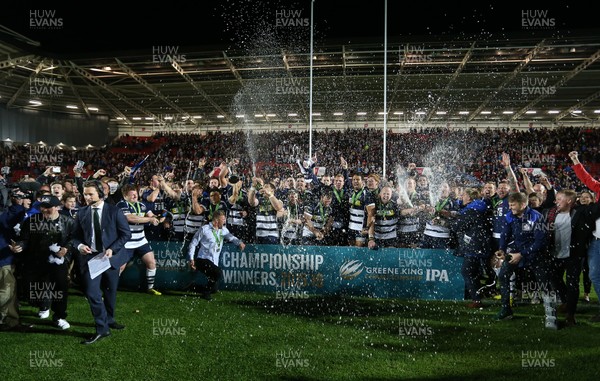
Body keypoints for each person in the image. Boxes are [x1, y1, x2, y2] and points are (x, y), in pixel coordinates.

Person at [72, 180, 131, 344]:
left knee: (110, 291)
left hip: (111, 258)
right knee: (92, 293)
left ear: (101, 193)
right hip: (91, 259)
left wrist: (114, 249)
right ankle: (102, 328)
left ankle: (110, 320)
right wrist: (81, 246)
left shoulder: (115, 211)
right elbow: (74, 237)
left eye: (90, 193)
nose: (86, 197)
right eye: (85, 194)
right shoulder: (82, 212)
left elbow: (126, 234)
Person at [12, 195, 75, 329]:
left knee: (60, 289)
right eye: (42, 207)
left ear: (57, 207)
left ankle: (59, 316)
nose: (44, 210)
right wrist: (20, 246)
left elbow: (73, 239)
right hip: (35, 260)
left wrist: (66, 248)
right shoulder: (31, 221)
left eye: (48, 207)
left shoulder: (68, 221)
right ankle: (43, 305)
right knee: (32, 289)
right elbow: (24, 239)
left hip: (58, 261)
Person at [493, 192, 553, 328]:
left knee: (544, 282)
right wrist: (502, 249)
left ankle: (551, 315)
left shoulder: (537, 217)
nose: (511, 207)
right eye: (510, 205)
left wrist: (521, 254)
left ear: (523, 204)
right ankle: (506, 309)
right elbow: (505, 234)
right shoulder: (509, 216)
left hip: (536, 254)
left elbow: (540, 242)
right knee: (503, 275)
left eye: (513, 205)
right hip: (516, 252)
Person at [116, 184, 163, 296]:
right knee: (120, 267)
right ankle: (110, 288)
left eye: (135, 194)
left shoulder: (142, 205)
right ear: (125, 196)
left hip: (141, 240)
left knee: (151, 262)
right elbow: (130, 218)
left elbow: (152, 215)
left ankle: (150, 288)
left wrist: (157, 219)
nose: (134, 196)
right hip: (127, 241)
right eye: (131, 195)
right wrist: (149, 219)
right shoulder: (121, 204)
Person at [187, 210, 245, 300]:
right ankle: (205, 294)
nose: (225, 221)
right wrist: (191, 259)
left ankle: (194, 287)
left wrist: (239, 243)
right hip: (202, 259)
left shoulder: (223, 230)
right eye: (223, 219)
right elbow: (193, 244)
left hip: (214, 262)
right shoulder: (204, 229)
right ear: (217, 220)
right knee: (218, 273)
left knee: (214, 288)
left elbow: (231, 237)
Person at [450, 188, 492, 308]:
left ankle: (477, 300)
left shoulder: (472, 211)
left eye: (463, 195)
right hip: (479, 244)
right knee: (474, 272)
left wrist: (444, 222)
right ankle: (478, 296)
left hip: (475, 246)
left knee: (467, 271)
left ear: (469, 198)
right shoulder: (477, 208)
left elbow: (457, 226)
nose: (461, 197)